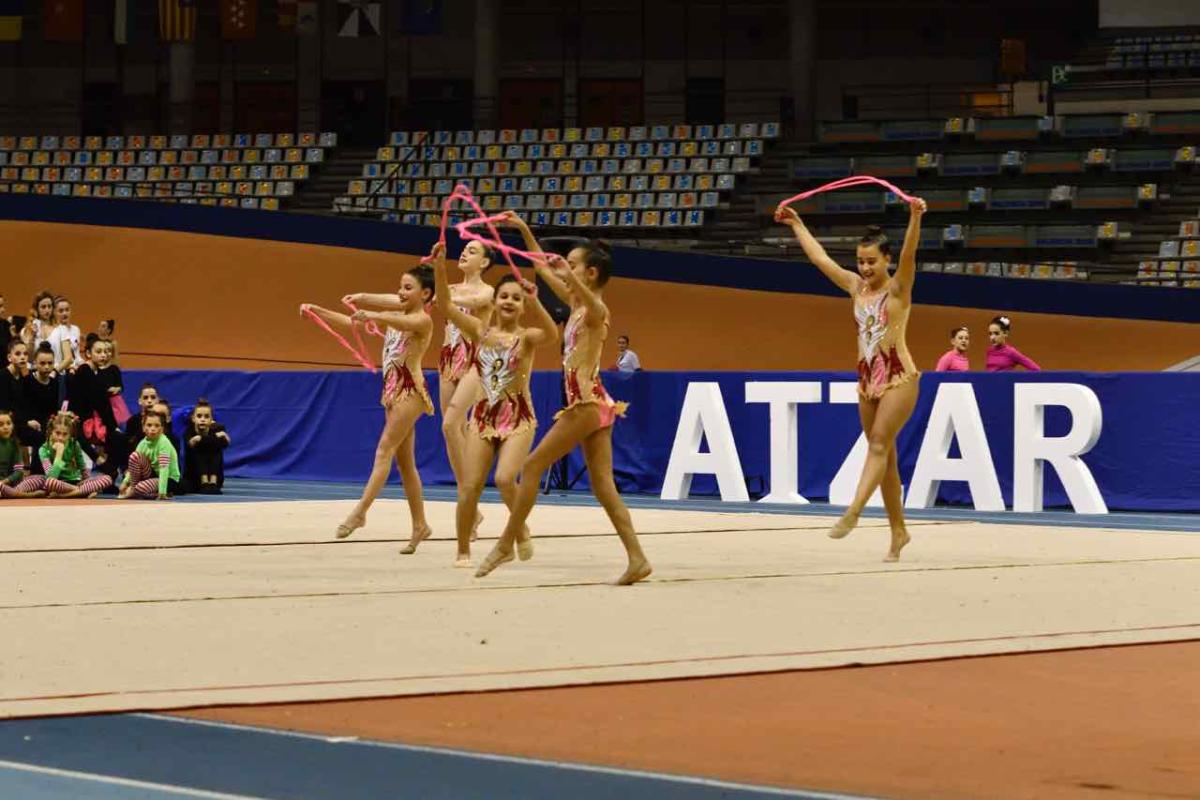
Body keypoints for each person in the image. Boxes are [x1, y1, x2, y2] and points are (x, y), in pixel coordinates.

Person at [476, 220, 652, 586]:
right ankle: (637, 558)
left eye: (572, 266)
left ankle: (506, 543)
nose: (564, 270)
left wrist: (568, 277)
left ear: (591, 273)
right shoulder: (575, 305)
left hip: (586, 404)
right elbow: (541, 266)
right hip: (594, 403)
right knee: (604, 486)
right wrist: (523, 230)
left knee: (532, 465)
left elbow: (592, 304)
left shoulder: (596, 310)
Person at [775, 196, 927, 562]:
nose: (865, 267)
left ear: (887, 260)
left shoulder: (898, 289)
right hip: (866, 381)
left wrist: (915, 217)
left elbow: (910, 254)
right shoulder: (855, 288)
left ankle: (854, 511)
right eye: (860, 261)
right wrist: (797, 224)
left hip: (899, 378)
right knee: (885, 458)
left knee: (878, 445)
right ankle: (899, 531)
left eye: (872, 261)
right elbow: (820, 259)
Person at [431, 238, 558, 566]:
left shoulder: (526, 338)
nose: (509, 302)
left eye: (516, 298)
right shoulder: (480, 331)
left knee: (504, 479)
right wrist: (439, 267)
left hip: (518, 419)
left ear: (523, 305)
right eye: (504, 296)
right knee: (469, 487)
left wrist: (536, 301)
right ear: (495, 300)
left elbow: (551, 334)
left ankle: (519, 530)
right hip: (484, 419)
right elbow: (444, 304)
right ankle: (463, 550)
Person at [303, 260, 437, 552]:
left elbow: (399, 320)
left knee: (383, 450)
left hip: (410, 392)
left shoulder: (422, 321)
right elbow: (353, 323)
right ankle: (420, 525)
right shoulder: (396, 314)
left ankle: (360, 511)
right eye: (400, 287)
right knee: (406, 465)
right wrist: (319, 311)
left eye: (408, 288)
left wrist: (371, 310)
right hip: (392, 392)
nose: (401, 292)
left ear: (425, 294)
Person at [36, 411, 113, 498]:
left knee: (107, 479)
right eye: (57, 433)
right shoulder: (43, 449)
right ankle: (81, 492)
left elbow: (82, 468)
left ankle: (66, 495)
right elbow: (51, 477)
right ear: (51, 432)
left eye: (65, 434)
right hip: (58, 483)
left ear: (70, 435)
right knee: (49, 482)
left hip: (75, 481)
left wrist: (88, 482)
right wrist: (59, 455)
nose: (60, 438)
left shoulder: (74, 444)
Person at [119, 410, 181, 500]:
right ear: (143, 428)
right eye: (149, 425)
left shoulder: (164, 442)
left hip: (168, 479)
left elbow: (164, 468)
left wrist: (162, 492)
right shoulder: (142, 443)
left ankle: (140, 491)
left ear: (162, 429)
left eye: (157, 425)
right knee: (134, 456)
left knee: (140, 487)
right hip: (153, 475)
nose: (153, 428)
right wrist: (125, 482)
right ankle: (133, 488)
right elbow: (132, 466)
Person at [183, 399, 230, 494]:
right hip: (194, 478)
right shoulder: (189, 431)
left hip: (215, 477)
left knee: (216, 450)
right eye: (199, 416)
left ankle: (213, 482)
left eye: (206, 416)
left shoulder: (217, 429)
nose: (203, 419)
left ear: (211, 420)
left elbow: (225, 443)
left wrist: (201, 438)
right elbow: (192, 444)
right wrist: (214, 437)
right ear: (193, 418)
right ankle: (204, 481)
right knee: (201, 449)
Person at [0, 408, 43, 498]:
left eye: (8, 423)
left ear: (13, 426)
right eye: (1, 424)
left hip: (10, 485)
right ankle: (25, 495)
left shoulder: (15, 444)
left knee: (40, 478)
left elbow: (18, 470)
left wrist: (5, 481)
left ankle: (11, 492)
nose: (5, 427)